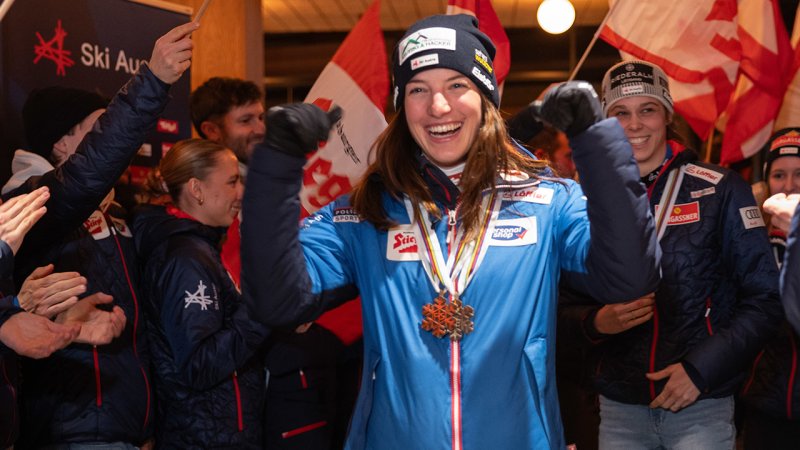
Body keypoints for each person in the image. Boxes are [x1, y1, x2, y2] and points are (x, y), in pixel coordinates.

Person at [241, 14, 660, 449]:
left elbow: (630, 276)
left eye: (457, 85)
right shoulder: (365, 211)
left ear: (485, 97)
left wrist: (594, 139)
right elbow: (277, 302)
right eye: (418, 89)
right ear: (402, 105)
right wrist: (276, 166)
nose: (438, 107)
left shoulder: (547, 201)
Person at [559, 60, 782, 450]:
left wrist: (700, 370)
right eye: (620, 113)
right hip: (618, 408)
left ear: (667, 115)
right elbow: (556, 300)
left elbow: (765, 298)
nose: (635, 124)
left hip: (700, 405)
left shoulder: (720, 189)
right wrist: (595, 322)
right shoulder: (581, 198)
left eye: (647, 109)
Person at [2, 22, 196, 449]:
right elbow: (86, 176)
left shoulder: (119, 209)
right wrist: (153, 81)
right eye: (99, 127)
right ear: (62, 143)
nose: (113, 143)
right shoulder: (31, 203)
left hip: (133, 426)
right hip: (76, 430)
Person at [192, 76, 359, 449]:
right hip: (268, 365)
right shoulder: (205, 210)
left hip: (328, 350)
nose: (259, 128)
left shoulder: (285, 175)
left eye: (261, 118)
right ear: (211, 130)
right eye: (245, 120)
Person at [132, 139, 270, 449]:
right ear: (196, 189)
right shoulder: (185, 259)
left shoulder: (197, 247)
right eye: (232, 182)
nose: (241, 192)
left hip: (213, 433)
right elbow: (199, 364)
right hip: (203, 438)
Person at [739, 128, 800, 448]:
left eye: (799, 174)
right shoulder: (749, 241)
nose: (789, 186)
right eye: (779, 175)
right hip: (764, 406)